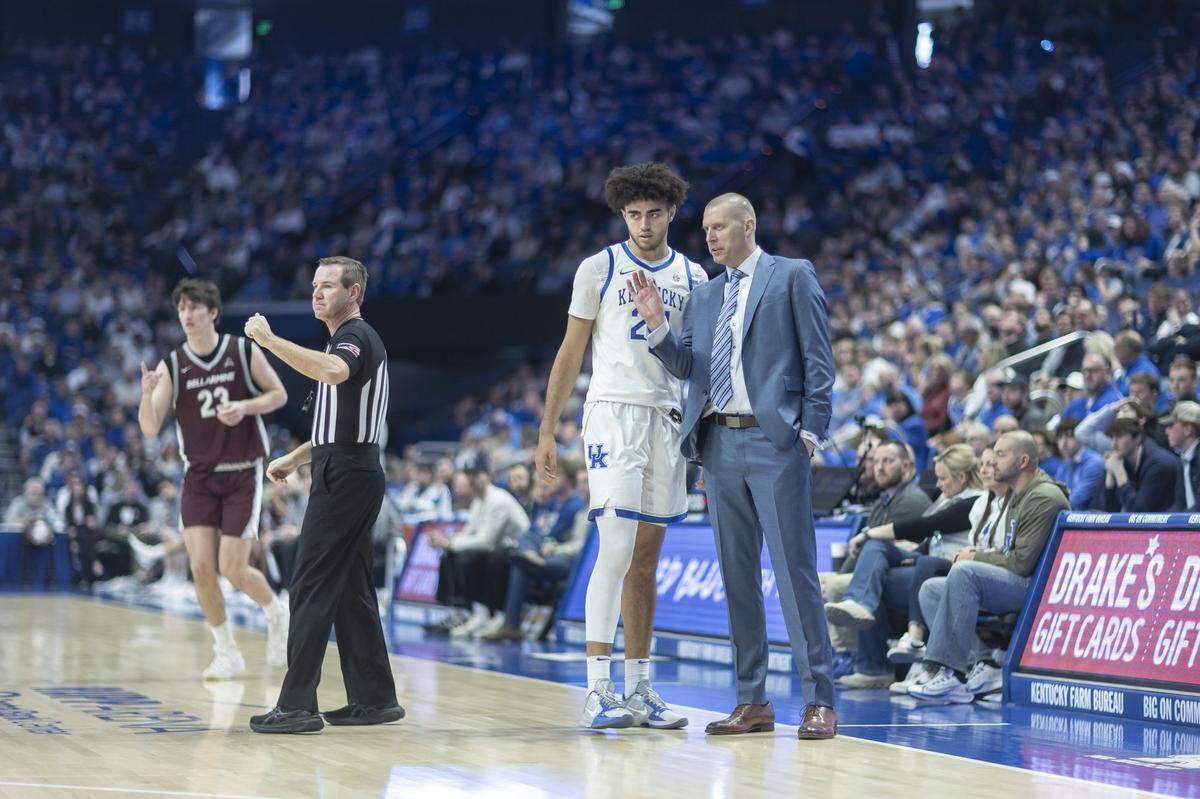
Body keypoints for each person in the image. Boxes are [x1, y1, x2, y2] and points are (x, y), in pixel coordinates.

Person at [633, 192, 839, 740]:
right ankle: (753, 701)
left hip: (776, 445)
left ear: (748, 224)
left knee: (795, 576)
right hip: (718, 446)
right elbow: (692, 369)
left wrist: (812, 430)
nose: (711, 238)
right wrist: (658, 328)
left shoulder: (791, 276)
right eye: (706, 230)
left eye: (720, 228)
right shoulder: (705, 295)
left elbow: (819, 357)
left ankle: (819, 699)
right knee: (737, 578)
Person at [535, 162, 706, 730]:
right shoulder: (599, 267)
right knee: (614, 548)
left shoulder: (694, 276)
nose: (644, 223)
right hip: (612, 415)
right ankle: (597, 687)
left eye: (654, 213)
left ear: (672, 212)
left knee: (646, 560)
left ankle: (640, 689)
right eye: (634, 215)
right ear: (623, 216)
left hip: (667, 418)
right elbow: (569, 352)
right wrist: (546, 430)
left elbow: (699, 363)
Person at [246, 256, 402, 734]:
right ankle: (375, 699)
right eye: (315, 285)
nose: (317, 293)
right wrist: (296, 459)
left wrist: (269, 342)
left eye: (328, 285)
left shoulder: (354, 338)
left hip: (348, 475)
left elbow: (334, 373)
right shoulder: (341, 340)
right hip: (347, 467)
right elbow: (336, 430)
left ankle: (296, 705)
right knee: (352, 591)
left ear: (353, 293)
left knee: (309, 582)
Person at [137, 277, 290, 679]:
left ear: (213, 313)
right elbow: (150, 427)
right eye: (182, 308)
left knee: (233, 569)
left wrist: (245, 406)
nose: (186, 315)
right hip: (199, 476)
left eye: (194, 308)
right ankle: (226, 652)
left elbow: (279, 394)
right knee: (201, 568)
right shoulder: (171, 364)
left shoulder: (240, 350)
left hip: (242, 472)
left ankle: (276, 612)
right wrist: (145, 393)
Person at [909, 431, 1068, 702]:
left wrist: (976, 557)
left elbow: (1020, 563)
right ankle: (981, 663)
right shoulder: (1020, 492)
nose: (992, 461)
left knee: (963, 572)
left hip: (1036, 587)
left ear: (1023, 461)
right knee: (931, 589)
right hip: (1017, 578)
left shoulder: (1042, 496)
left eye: (1001, 454)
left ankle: (952, 674)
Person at [826, 444, 983, 688]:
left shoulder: (974, 501)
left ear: (961, 477)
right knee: (875, 551)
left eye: (942, 478)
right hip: (925, 563)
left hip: (948, 570)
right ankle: (859, 604)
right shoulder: (945, 498)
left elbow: (927, 526)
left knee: (877, 576)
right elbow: (929, 540)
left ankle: (875, 665)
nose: (938, 484)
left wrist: (868, 533)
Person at [481, 459, 589, 641]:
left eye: (557, 474)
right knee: (519, 562)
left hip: (567, 560)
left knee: (518, 560)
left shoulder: (577, 506)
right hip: (547, 553)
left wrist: (553, 547)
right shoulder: (553, 503)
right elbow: (533, 532)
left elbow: (566, 539)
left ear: (568, 480)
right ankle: (507, 623)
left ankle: (507, 621)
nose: (551, 479)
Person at [1100, 417, 1185, 512]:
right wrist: (1110, 474)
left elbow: (1138, 511)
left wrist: (1119, 472)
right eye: (1111, 438)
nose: (1113, 444)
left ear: (1137, 438)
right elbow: (1109, 512)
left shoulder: (1159, 463)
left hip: (1174, 523)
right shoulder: (1121, 460)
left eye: (1119, 436)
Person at [1054, 418, 1105, 511]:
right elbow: (1057, 495)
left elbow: (1075, 501)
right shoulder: (1064, 465)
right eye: (1060, 437)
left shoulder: (1094, 463)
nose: (1063, 443)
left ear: (1080, 437)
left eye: (1069, 436)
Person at [1061, 352, 1123, 421]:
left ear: (1106, 372)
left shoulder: (1113, 401)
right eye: (1084, 371)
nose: (1087, 376)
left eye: (1093, 371)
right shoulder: (1078, 403)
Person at [1162, 401, 1200, 511]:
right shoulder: (1183, 459)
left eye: (1171, 426)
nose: (1166, 431)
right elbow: (1180, 503)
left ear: (1187, 429)